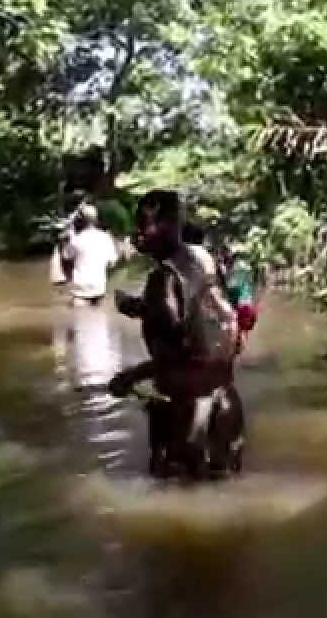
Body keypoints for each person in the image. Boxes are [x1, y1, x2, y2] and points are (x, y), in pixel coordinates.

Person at [108, 189, 244, 478]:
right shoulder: (202, 258)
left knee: (175, 500)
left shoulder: (162, 279)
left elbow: (176, 355)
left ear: (169, 226)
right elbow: (200, 316)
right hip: (226, 402)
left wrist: (128, 377)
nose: (139, 234)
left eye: (145, 225)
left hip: (188, 412)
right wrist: (143, 309)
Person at [60, 204, 120, 307]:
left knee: (77, 318)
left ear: (80, 221)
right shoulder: (106, 237)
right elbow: (112, 263)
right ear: (96, 219)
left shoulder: (76, 240)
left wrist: (64, 241)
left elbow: (65, 257)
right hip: (100, 287)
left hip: (80, 289)